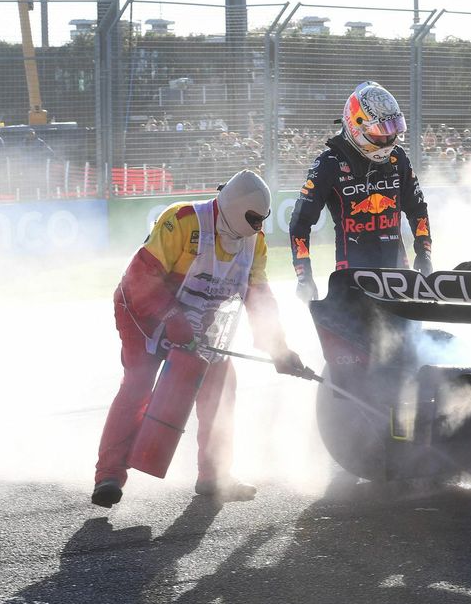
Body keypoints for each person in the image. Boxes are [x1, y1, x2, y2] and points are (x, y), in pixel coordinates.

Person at [92, 170, 305, 508]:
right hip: (141, 314)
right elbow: (139, 279)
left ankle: (214, 475)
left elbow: (259, 298)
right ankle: (109, 476)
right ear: (235, 208)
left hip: (199, 322)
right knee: (138, 383)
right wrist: (172, 319)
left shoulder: (255, 242)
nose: (258, 226)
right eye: (253, 218)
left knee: (221, 387)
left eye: (262, 220)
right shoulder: (182, 220)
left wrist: (279, 348)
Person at [289, 81, 432, 301]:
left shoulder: (398, 158)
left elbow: (417, 209)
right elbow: (300, 222)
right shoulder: (329, 164)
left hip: (398, 275)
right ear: (356, 126)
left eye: (391, 132)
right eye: (379, 134)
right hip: (351, 279)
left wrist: (424, 253)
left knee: (407, 324)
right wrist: (304, 276)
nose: (387, 141)